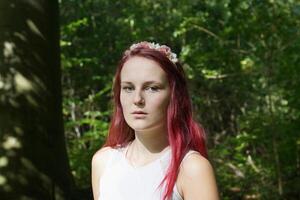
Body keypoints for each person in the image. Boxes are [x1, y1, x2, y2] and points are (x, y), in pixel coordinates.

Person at [91, 41, 219, 200]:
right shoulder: (103, 162)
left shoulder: (191, 169)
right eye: (128, 88)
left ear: (174, 96)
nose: (137, 99)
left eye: (152, 88)